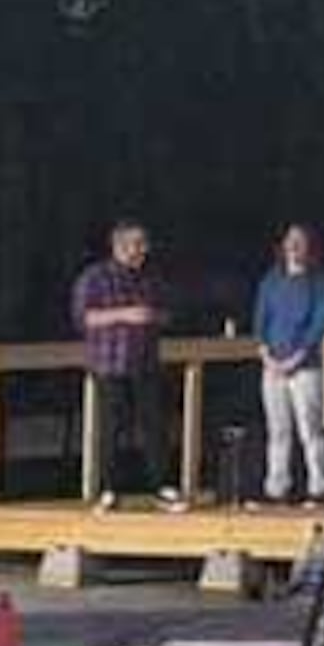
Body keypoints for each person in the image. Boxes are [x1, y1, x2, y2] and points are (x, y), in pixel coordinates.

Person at [70, 219, 184, 513]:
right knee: (112, 428)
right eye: (137, 244)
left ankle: (163, 488)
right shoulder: (95, 277)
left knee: (154, 427)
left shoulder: (150, 279)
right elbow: (84, 318)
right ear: (119, 246)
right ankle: (108, 490)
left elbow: (168, 315)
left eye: (145, 244)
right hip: (110, 364)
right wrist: (125, 315)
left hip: (145, 362)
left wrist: (153, 317)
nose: (143, 250)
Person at [251, 223, 324, 503]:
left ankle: (319, 485)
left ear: (309, 246)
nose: (294, 245)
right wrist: (266, 355)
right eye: (290, 240)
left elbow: (321, 321)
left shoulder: (319, 281)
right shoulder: (271, 280)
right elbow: (260, 320)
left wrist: (298, 356)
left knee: (309, 428)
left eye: (300, 241)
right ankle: (277, 487)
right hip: (272, 365)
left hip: (305, 365)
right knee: (277, 429)